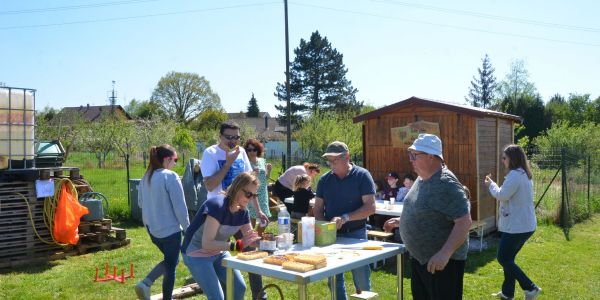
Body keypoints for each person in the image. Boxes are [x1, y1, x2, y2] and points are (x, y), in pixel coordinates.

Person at [386, 133, 471, 300]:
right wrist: (401, 222)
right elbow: (422, 209)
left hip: (442, 264)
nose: (411, 159)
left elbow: (464, 222)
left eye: (414, 155)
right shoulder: (422, 177)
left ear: (431, 157)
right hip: (422, 259)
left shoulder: (446, 183)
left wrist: (444, 254)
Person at [200, 121, 268, 300]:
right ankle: (221, 290)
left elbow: (250, 184)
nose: (232, 141)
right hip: (218, 215)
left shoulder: (242, 152)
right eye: (228, 137)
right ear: (220, 136)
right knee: (216, 252)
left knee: (250, 248)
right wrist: (227, 163)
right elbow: (209, 185)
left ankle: (259, 295)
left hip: (238, 212)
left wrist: (258, 210)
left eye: (236, 137)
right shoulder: (210, 153)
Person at [182, 172, 262, 300]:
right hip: (196, 252)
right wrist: (238, 245)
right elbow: (207, 243)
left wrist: (272, 242)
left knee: (239, 288)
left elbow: (251, 240)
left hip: (218, 252)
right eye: (248, 194)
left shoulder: (243, 212)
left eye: (254, 195)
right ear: (237, 188)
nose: (250, 198)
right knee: (216, 297)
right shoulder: (217, 205)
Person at [314, 141, 376, 299]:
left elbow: (370, 207)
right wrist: (324, 227)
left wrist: (345, 218)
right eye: (329, 160)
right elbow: (318, 208)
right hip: (332, 236)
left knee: (362, 283)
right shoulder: (324, 180)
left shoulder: (362, 175)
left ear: (347, 157)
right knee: (334, 281)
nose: (331, 164)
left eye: (335, 160)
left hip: (357, 235)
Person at [485, 144, 541, 300]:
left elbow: (502, 195)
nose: (503, 161)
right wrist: (494, 185)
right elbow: (506, 194)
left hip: (517, 227)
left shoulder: (515, 176)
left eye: (504, 158)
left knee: (503, 258)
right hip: (525, 225)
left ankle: (531, 288)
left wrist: (491, 184)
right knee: (509, 260)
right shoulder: (523, 174)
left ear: (512, 159)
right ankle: (508, 293)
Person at [136, 145, 190, 300]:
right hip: (171, 231)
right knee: (171, 264)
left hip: (153, 232)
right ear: (167, 159)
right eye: (175, 160)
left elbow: (140, 203)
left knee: (171, 260)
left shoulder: (145, 177)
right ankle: (147, 283)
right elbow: (180, 208)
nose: (175, 164)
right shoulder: (170, 176)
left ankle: (147, 284)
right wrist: (188, 229)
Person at [243, 138, 272, 232]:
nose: (252, 152)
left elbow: (265, 178)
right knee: (252, 218)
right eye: (249, 150)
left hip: (263, 193)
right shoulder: (245, 162)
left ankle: (257, 237)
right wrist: (252, 174)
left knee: (265, 218)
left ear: (258, 150)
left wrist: (269, 171)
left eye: (254, 149)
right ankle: (250, 240)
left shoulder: (262, 161)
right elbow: (243, 180)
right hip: (251, 193)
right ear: (246, 150)